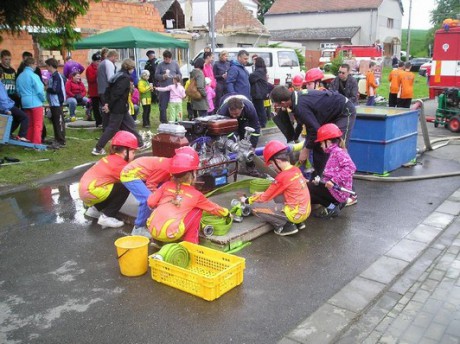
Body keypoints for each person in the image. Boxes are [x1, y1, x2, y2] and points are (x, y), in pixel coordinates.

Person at [145, 149, 230, 243]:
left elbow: (150, 202)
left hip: (151, 229)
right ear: (193, 174)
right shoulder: (196, 195)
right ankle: (191, 243)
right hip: (170, 234)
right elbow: (213, 208)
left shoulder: (165, 185)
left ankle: (159, 239)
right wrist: (227, 213)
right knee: (197, 210)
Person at [270, 86, 356, 177]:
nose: (276, 106)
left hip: (344, 111)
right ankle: (320, 178)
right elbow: (306, 125)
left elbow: (315, 130)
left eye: (277, 104)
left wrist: (306, 150)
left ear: (283, 103)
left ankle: (344, 179)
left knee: (338, 146)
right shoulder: (295, 100)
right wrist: (297, 140)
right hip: (327, 114)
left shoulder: (300, 106)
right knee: (320, 145)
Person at [240, 140, 311, 236]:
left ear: (277, 161)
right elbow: (276, 193)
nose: (273, 167)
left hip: (295, 214)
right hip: (305, 211)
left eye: (272, 164)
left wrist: (247, 200)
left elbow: (265, 198)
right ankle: (298, 223)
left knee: (254, 206)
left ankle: (285, 226)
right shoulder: (295, 169)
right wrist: (261, 194)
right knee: (278, 196)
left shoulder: (282, 177)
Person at [79, 131, 138, 229]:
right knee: (124, 187)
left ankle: (94, 210)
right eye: (133, 152)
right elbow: (135, 180)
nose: (134, 155)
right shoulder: (120, 165)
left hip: (84, 190)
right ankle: (107, 217)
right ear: (125, 151)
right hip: (92, 192)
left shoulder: (111, 158)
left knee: (113, 186)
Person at [92, 58, 144, 156]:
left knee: (130, 125)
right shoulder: (125, 78)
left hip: (121, 107)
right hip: (118, 107)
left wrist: (107, 102)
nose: (133, 70)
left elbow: (108, 89)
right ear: (129, 67)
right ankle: (98, 148)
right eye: (132, 68)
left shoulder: (116, 75)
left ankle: (140, 143)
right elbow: (117, 93)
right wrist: (109, 105)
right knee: (112, 128)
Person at [120, 151, 179, 235]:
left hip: (142, 172)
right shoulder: (165, 168)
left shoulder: (172, 165)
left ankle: (148, 213)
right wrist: (158, 199)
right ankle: (138, 229)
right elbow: (151, 184)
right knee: (147, 199)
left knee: (158, 194)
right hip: (129, 174)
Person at [307, 123, 356, 218]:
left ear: (328, 141)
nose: (321, 146)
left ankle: (333, 206)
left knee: (308, 188)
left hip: (338, 191)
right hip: (335, 190)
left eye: (321, 143)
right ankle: (332, 207)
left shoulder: (338, 152)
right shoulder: (334, 152)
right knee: (311, 189)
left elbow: (351, 167)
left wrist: (333, 181)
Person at [15, 57, 45, 144]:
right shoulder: (34, 76)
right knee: (37, 124)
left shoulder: (20, 76)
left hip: (24, 102)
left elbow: (18, 90)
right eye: (35, 64)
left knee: (29, 124)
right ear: (31, 64)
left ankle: (28, 142)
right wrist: (43, 99)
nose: (36, 66)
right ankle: (36, 143)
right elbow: (40, 90)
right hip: (35, 102)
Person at [45, 58, 66, 147]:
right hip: (53, 103)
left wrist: (47, 88)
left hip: (57, 102)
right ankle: (57, 138)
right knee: (55, 121)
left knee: (59, 121)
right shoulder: (53, 76)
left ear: (50, 66)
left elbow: (55, 89)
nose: (47, 68)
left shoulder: (56, 76)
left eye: (47, 66)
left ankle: (61, 140)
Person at [155, 50, 181, 123]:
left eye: (167, 58)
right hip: (164, 88)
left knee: (175, 105)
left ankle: (176, 120)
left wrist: (177, 77)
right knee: (163, 106)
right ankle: (163, 121)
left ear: (170, 58)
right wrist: (163, 76)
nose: (165, 60)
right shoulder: (160, 65)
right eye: (164, 58)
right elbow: (156, 76)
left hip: (174, 89)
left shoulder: (175, 64)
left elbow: (180, 74)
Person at [97, 50, 119, 129]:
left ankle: (105, 127)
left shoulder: (102, 63)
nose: (116, 60)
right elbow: (111, 78)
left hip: (101, 89)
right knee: (108, 109)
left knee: (105, 110)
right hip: (106, 90)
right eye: (116, 58)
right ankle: (108, 128)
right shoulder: (109, 64)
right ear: (112, 56)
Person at [249, 56, 269, 128]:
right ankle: (262, 122)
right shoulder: (262, 70)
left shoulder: (258, 71)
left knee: (260, 108)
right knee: (260, 108)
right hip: (260, 92)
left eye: (255, 61)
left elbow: (251, 78)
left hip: (258, 93)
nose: (253, 63)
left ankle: (262, 123)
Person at [86, 52, 103, 126]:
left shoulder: (100, 67)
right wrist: (97, 73)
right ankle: (98, 122)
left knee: (103, 106)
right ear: (93, 61)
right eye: (97, 61)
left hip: (101, 90)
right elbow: (90, 79)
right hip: (94, 91)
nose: (98, 63)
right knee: (95, 107)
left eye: (99, 61)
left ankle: (103, 120)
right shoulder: (89, 69)